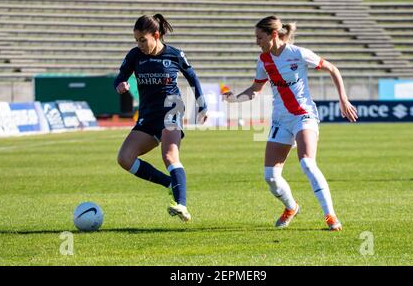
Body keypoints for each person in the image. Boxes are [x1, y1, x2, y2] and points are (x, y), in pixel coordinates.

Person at [223, 15, 358, 231]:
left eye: (259, 37)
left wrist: (343, 99)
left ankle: (330, 216)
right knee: (271, 177)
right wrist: (235, 99)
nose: (256, 42)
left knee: (307, 162)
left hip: (304, 114)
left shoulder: (298, 53)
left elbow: (332, 69)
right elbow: (256, 90)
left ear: (273, 34)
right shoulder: (263, 60)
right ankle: (291, 207)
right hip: (280, 120)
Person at [115, 14, 208, 222]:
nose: (139, 45)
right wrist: (120, 84)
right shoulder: (134, 56)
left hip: (171, 109)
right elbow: (120, 76)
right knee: (124, 159)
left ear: (156, 35)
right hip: (148, 115)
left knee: (169, 156)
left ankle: (181, 205)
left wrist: (202, 104)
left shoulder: (175, 54)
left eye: (142, 40)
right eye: (136, 40)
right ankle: (169, 183)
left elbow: (192, 78)